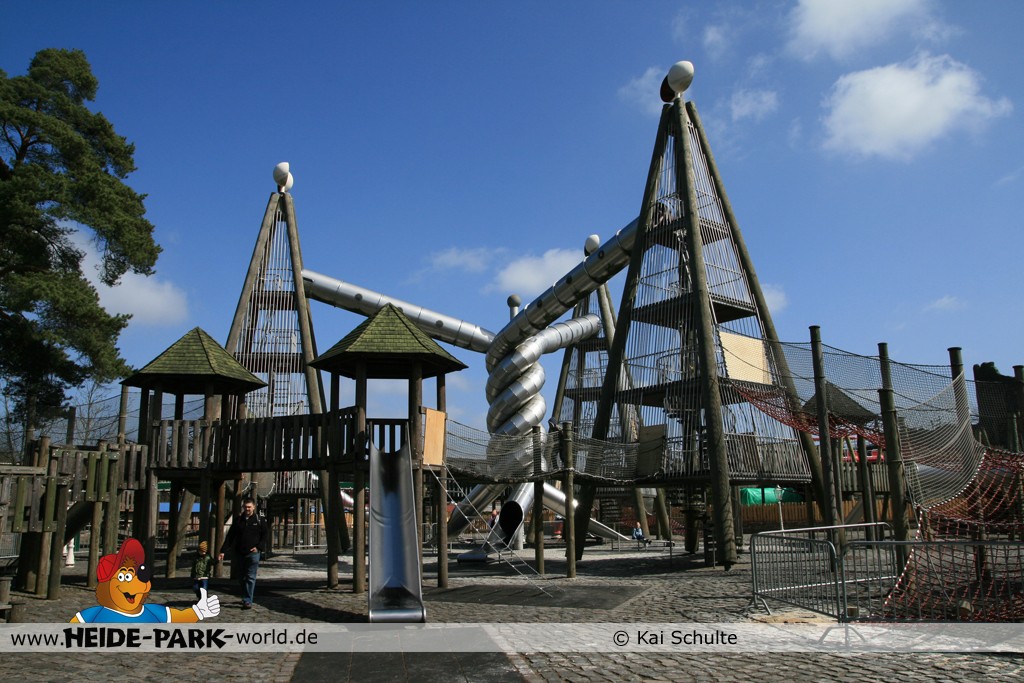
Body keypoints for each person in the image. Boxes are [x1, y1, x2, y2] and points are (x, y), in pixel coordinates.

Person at [218, 497, 267, 609]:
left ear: (253, 507)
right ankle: (245, 596)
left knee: (250, 577)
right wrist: (223, 551)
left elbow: (264, 535)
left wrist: (259, 547)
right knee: (241, 577)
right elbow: (230, 536)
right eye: (245, 507)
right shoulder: (238, 520)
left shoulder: (260, 520)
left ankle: (247, 600)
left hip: (253, 553)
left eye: (249, 507)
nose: (247, 509)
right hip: (239, 552)